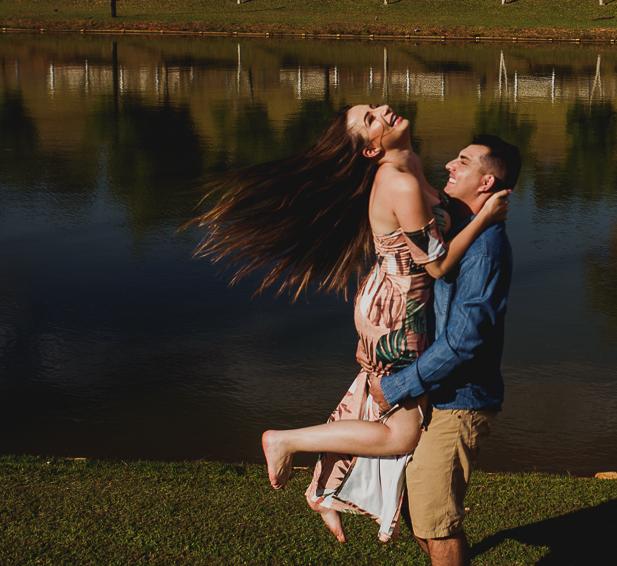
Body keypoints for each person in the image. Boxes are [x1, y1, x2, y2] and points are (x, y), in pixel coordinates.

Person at [192, 105, 509, 543]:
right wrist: (486, 219)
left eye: (373, 108)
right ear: (370, 149)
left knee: (374, 408)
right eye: (371, 120)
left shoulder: (411, 165)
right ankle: (285, 441)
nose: (382, 111)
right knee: (400, 434)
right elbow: (435, 267)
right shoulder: (398, 180)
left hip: (392, 302)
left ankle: (323, 488)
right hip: (399, 312)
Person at [370, 133, 520, 566]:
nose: (450, 166)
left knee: (436, 519)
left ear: (487, 183)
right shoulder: (462, 229)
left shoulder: (486, 249)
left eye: (463, 162)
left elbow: (464, 341)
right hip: (440, 393)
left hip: (461, 400)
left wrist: (398, 386)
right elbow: (410, 175)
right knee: (424, 511)